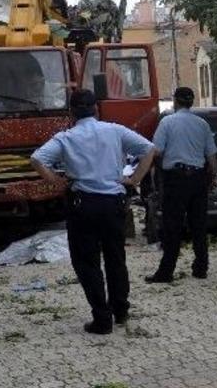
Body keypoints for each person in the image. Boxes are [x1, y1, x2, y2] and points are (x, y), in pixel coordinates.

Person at [30, 89, 156, 335]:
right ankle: (120, 310)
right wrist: (134, 179)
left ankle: (101, 318)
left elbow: (36, 159)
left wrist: (56, 181)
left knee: (87, 262)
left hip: (83, 205)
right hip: (113, 203)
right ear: (96, 109)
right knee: (115, 258)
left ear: (71, 112)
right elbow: (149, 149)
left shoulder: (65, 138)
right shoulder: (114, 130)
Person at [146, 87, 217, 283]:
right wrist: (213, 177)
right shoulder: (202, 124)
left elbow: (157, 151)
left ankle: (166, 271)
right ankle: (201, 267)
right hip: (198, 179)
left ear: (175, 101)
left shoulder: (167, 122)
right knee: (199, 225)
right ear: (192, 102)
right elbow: (211, 156)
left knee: (172, 227)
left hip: (175, 179)